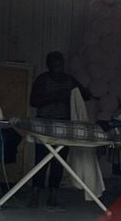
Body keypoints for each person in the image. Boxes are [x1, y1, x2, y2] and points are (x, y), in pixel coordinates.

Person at [28, 51, 92, 206]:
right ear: (48, 66)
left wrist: (85, 92)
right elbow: (33, 102)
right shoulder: (43, 80)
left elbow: (85, 95)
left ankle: (53, 196)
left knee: (59, 162)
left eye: (60, 65)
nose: (58, 69)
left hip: (64, 124)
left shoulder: (69, 80)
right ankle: (35, 195)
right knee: (41, 161)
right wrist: (55, 96)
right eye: (55, 66)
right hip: (44, 124)